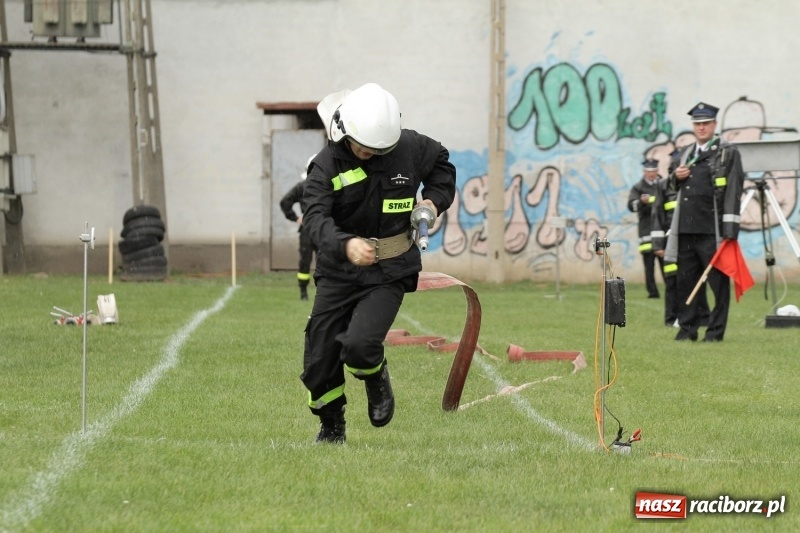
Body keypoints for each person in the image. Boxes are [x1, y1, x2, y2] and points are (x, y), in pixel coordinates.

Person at [300, 82, 456, 443]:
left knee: (359, 345)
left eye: (378, 150)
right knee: (319, 358)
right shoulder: (325, 166)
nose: (369, 154)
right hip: (339, 271)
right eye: (363, 148)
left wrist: (432, 202)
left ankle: (375, 376)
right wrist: (346, 244)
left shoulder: (410, 147)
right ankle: (332, 425)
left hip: (390, 270)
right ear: (347, 133)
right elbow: (315, 219)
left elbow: (442, 166)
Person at [664, 102, 744, 342]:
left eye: (705, 123)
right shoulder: (686, 153)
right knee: (685, 283)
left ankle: (715, 332)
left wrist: (730, 230)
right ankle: (687, 329)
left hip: (714, 230)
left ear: (714, 125)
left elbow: (734, 190)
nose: (701, 128)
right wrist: (675, 178)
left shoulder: (728, 152)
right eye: (697, 124)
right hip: (686, 229)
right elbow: (669, 188)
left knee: (718, 285)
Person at [652, 164, 710, 327]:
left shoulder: (696, 183)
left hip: (691, 241)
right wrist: (658, 245)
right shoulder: (663, 186)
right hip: (670, 243)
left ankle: (703, 316)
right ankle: (671, 318)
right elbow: (657, 215)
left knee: (697, 279)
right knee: (672, 281)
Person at [280, 154, 318, 301]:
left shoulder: (329, 185)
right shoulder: (301, 187)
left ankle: (323, 292)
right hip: (308, 230)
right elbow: (285, 202)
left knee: (326, 261)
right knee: (305, 261)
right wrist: (295, 218)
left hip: (324, 229)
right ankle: (303, 292)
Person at [627, 159, 663, 299]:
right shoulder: (638, 187)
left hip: (661, 228)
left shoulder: (663, 184)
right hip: (646, 230)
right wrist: (641, 202)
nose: (651, 174)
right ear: (644, 172)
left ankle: (671, 289)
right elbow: (631, 206)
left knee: (667, 264)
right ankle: (652, 292)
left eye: (653, 171)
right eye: (649, 172)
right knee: (649, 265)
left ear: (657, 171)